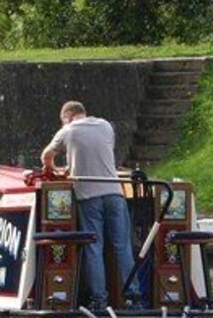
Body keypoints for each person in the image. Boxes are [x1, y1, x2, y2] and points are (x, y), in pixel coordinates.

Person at [41, 101, 141, 309]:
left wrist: (58, 170)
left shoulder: (67, 131)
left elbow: (46, 157)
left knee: (94, 248)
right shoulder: (105, 125)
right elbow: (101, 154)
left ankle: (99, 301)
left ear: (67, 116)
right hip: (114, 193)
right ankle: (133, 298)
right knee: (123, 247)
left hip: (89, 197)